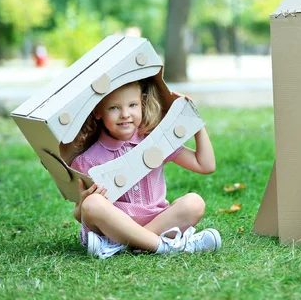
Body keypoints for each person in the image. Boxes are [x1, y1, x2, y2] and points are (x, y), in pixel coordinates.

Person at [70, 79, 220, 259]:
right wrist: (85, 201)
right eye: (114, 108)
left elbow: (206, 165)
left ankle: (121, 246)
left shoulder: (154, 142)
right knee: (92, 203)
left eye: (132, 105)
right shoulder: (87, 160)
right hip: (112, 227)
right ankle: (167, 246)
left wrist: (195, 124)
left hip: (157, 220)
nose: (125, 114)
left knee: (194, 202)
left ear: (142, 104)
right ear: (97, 112)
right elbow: (80, 215)